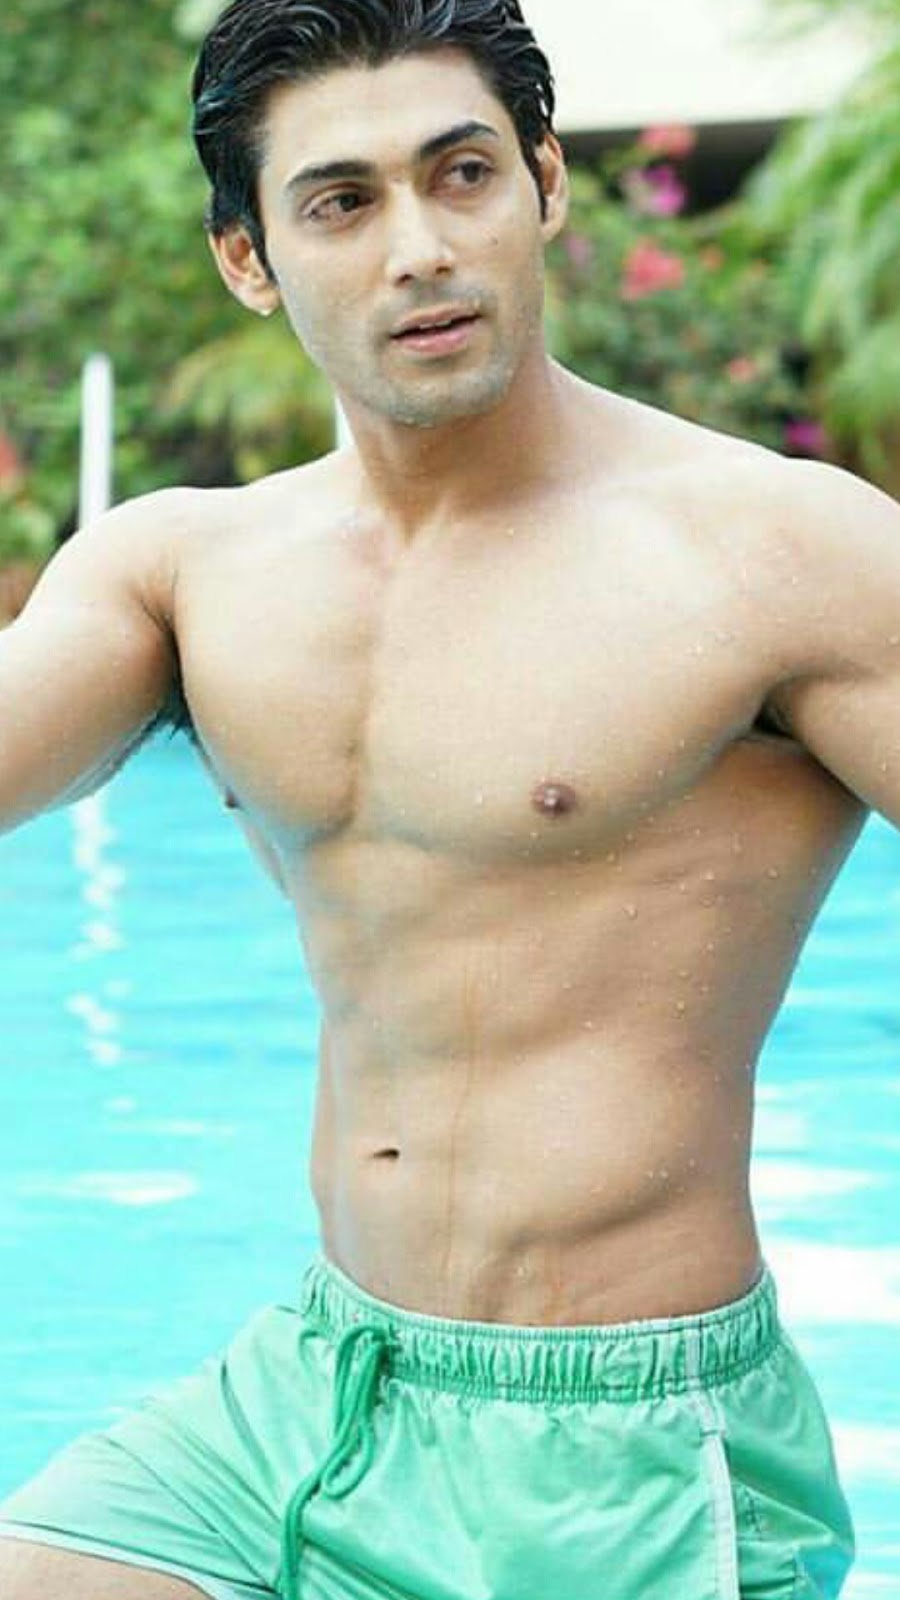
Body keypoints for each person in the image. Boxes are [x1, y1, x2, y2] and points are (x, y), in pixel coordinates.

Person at [0, 0, 897, 1594]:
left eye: (462, 173)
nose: (419, 248)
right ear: (250, 260)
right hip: (316, 1383)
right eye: (342, 202)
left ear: (545, 183)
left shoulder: (778, 557)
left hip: (622, 1440)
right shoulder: (183, 572)